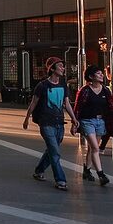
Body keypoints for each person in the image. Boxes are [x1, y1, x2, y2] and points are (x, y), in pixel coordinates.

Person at [23, 57, 78, 191]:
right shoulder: (42, 86)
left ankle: (39, 170)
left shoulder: (63, 84)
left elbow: (66, 103)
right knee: (55, 152)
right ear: (52, 69)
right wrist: (26, 118)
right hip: (46, 122)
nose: (63, 68)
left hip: (59, 122)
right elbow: (34, 102)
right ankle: (60, 180)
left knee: (51, 150)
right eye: (60, 66)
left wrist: (74, 118)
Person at [73, 65, 113, 187]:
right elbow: (78, 107)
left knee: (92, 148)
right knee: (95, 148)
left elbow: (112, 106)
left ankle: (87, 170)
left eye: (101, 73)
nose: (101, 75)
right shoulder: (84, 91)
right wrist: (74, 123)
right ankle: (101, 174)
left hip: (100, 121)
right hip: (87, 121)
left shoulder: (105, 90)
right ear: (91, 76)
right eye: (98, 73)